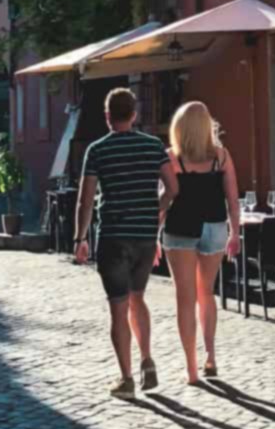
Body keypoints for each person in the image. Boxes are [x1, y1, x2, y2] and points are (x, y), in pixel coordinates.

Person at [74, 88, 179, 401]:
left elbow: (85, 199)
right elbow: (173, 188)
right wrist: (156, 210)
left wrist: (80, 238)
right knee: (138, 298)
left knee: (118, 308)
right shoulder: (153, 147)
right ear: (134, 114)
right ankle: (147, 359)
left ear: (108, 116)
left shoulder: (97, 150)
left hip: (114, 236)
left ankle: (127, 378)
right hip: (146, 236)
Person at [161, 101, 241, 384]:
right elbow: (233, 198)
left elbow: (164, 200)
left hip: (180, 228)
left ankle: (191, 369)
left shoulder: (171, 158)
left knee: (185, 298)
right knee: (206, 293)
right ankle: (211, 357)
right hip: (215, 226)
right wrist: (235, 233)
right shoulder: (222, 156)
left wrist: (154, 234)